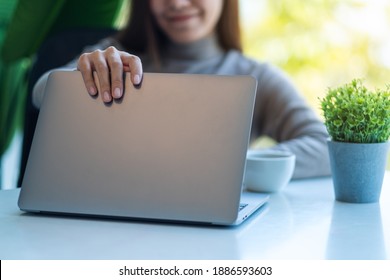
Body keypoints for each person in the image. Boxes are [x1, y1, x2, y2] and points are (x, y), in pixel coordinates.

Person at [33, 0, 331, 179]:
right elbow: (42, 92)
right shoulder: (117, 57)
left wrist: (228, 166)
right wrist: (83, 73)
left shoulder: (255, 77)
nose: (176, 3)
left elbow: (324, 147)